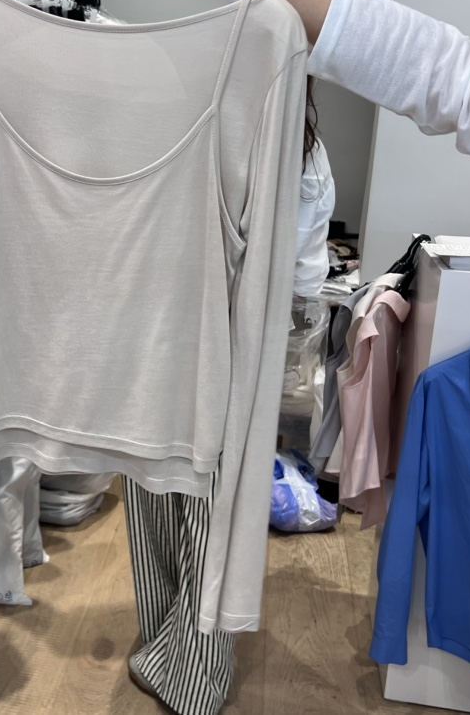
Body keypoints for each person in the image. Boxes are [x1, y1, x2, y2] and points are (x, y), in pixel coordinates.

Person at [120, 0, 470, 715]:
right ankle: (181, 648)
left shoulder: (266, 147)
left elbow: (457, 77)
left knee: (185, 487)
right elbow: (453, 74)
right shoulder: (277, 143)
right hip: (216, 332)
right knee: (189, 490)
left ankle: (187, 655)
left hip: (201, 331)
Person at [123, 78, 335, 715]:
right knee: (217, 504)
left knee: (154, 485)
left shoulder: (174, 112)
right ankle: (192, 662)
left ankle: (178, 655)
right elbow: (306, 273)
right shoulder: (299, 144)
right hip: (243, 339)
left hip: (156, 328)